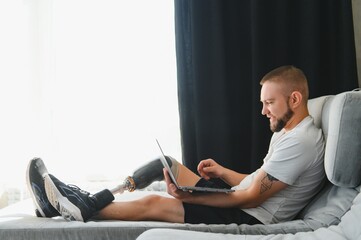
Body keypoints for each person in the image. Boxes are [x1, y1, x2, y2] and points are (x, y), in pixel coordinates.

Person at [27, 65, 325, 225]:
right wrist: (222, 171)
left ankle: (82, 206)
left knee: (158, 203)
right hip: (242, 200)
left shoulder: (301, 141)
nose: (263, 111)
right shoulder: (288, 131)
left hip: (250, 217)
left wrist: (188, 198)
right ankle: (79, 199)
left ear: (295, 99)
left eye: (269, 103)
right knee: (166, 163)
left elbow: (251, 199)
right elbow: (257, 182)